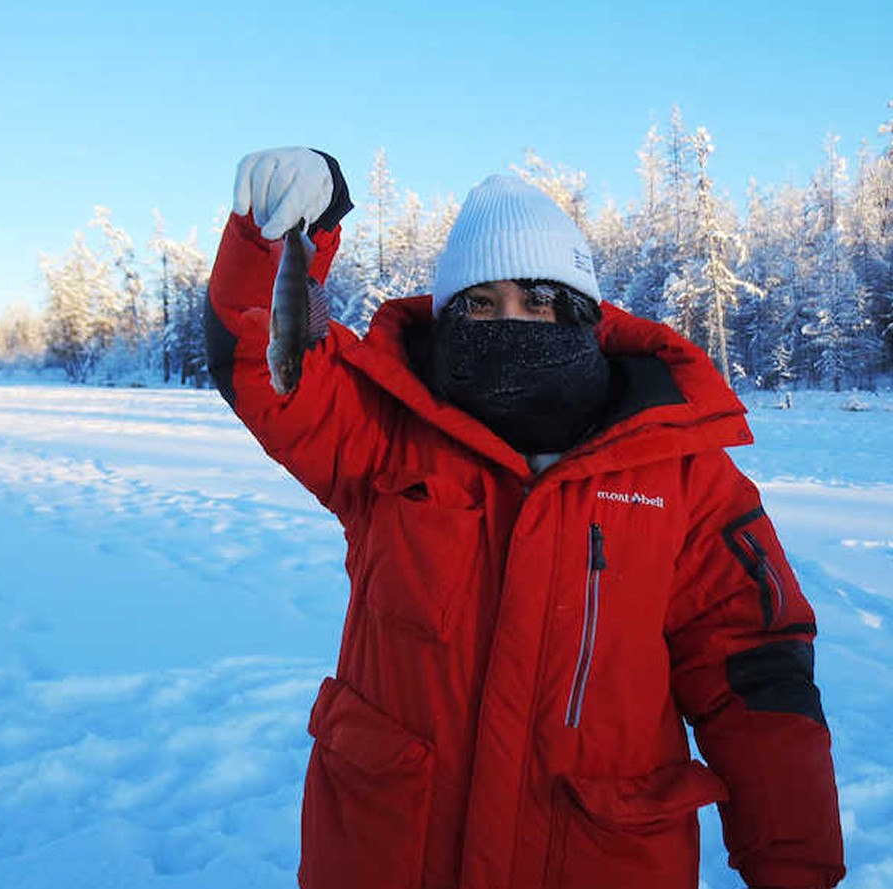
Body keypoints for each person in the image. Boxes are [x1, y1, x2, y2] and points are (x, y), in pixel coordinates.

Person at [205, 147, 845, 889]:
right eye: (479, 304)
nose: (511, 321)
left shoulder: (681, 472)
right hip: (389, 853)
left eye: (539, 298)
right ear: (447, 322)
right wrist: (281, 235)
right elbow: (258, 356)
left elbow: (756, 670)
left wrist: (795, 867)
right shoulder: (383, 435)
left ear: (581, 314)